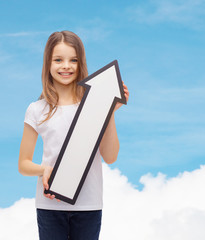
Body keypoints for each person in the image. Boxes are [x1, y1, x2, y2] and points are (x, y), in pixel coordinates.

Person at [18, 30, 129, 240]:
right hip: (50, 206)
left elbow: (111, 157)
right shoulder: (36, 109)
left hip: (88, 205)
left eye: (73, 60)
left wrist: (109, 111)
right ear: (48, 64)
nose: (66, 66)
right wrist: (45, 170)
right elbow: (23, 164)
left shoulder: (93, 105)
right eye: (58, 60)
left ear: (81, 64)